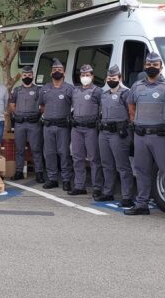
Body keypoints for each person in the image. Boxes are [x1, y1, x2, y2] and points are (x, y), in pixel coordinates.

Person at [125, 52, 165, 222]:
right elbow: (131, 106)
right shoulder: (137, 86)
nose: (151, 67)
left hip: (162, 137)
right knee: (141, 171)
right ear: (145, 66)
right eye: (149, 64)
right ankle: (142, 204)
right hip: (141, 136)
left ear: (160, 67)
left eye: (155, 65)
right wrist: (136, 122)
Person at [98, 65, 136, 207]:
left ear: (119, 79)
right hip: (104, 133)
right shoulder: (104, 94)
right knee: (107, 164)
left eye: (114, 78)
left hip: (118, 134)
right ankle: (108, 192)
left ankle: (127, 196)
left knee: (122, 166)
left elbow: (132, 112)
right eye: (109, 78)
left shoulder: (126, 93)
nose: (111, 80)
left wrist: (129, 128)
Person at [39, 59, 75, 192]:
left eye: (59, 70)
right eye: (54, 70)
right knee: (49, 153)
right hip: (48, 126)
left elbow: (75, 105)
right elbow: (42, 106)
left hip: (63, 127)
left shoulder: (69, 89)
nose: (57, 72)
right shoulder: (45, 89)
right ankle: (52, 179)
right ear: (50, 73)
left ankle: (66, 180)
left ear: (64, 72)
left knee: (64, 153)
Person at [70, 64, 103, 196]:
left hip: (91, 129)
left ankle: (97, 187)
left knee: (94, 159)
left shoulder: (97, 91)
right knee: (77, 158)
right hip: (77, 128)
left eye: (87, 75)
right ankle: (79, 186)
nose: (85, 77)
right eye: (83, 75)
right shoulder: (75, 91)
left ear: (92, 76)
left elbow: (102, 109)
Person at [9, 65, 44, 183]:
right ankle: (19, 171)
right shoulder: (17, 90)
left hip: (34, 124)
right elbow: (12, 105)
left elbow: (42, 106)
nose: (27, 77)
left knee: (36, 149)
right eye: (25, 75)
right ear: (21, 77)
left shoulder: (38, 90)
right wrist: (17, 114)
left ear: (33, 76)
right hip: (20, 124)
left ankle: (39, 173)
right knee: (19, 149)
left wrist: (37, 114)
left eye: (29, 75)